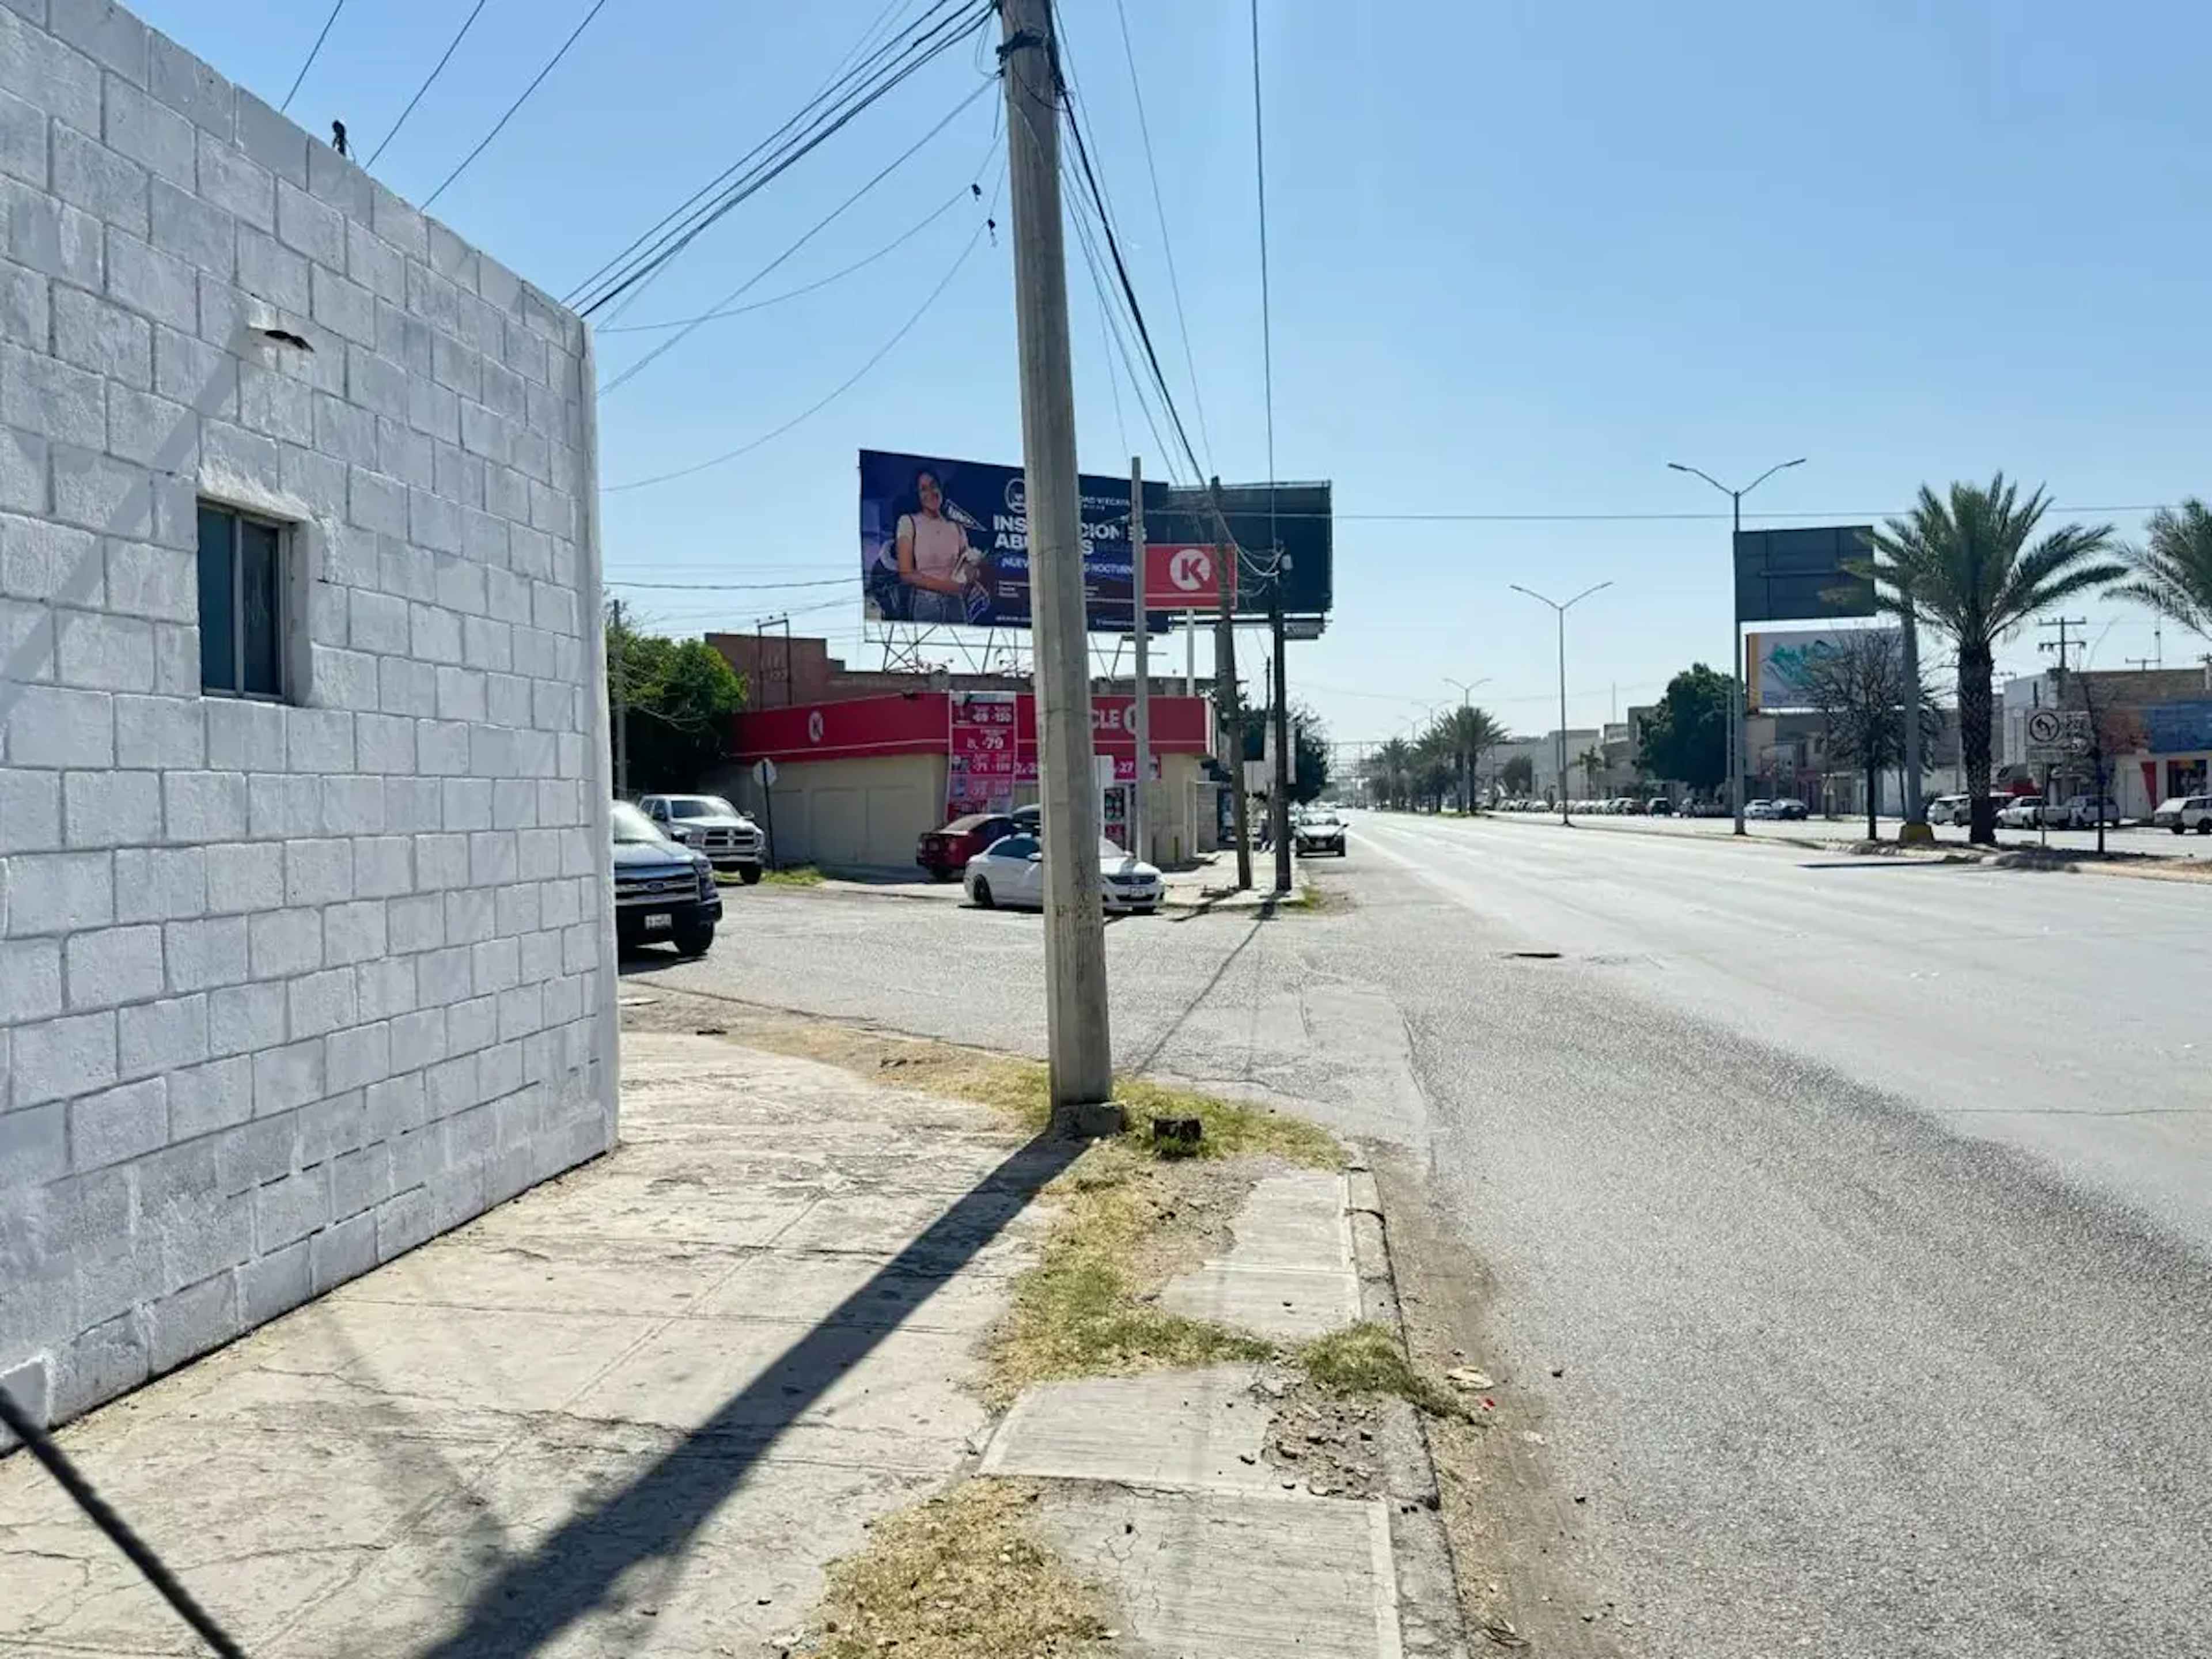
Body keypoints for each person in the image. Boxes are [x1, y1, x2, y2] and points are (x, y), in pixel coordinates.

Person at [896, 468, 978, 624]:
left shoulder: (957, 527)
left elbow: (966, 565)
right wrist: (946, 587)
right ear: (917, 495)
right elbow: (905, 573)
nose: (931, 493)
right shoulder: (908, 521)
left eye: (934, 486)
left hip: (956, 604)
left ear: (940, 488)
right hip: (926, 602)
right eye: (923, 489)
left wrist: (972, 571)